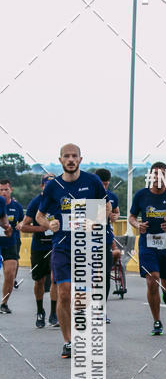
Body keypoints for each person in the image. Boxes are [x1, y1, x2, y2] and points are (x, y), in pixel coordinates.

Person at [36, 144, 108, 358]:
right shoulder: (53, 186)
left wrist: (93, 222)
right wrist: (50, 225)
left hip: (86, 246)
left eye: (74, 156)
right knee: (64, 293)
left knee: (81, 297)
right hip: (61, 246)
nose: (70, 159)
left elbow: (106, 209)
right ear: (60, 160)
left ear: (80, 159)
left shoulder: (92, 182)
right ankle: (68, 341)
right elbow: (40, 215)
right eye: (66, 156)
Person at [129, 162, 166, 336]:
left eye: (161, 174)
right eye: (155, 174)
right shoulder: (141, 195)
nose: (158, 178)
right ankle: (157, 320)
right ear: (150, 177)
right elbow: (132, 216)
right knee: (152, 278)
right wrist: (137, 224)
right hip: (147, 244)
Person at [21, 174, 58, 328]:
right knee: (39, 281)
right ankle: (40, 310)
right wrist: (42, 228)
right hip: (39, 247)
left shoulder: (60, 200)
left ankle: (54, 313)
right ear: (42, 187)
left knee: (55, 279)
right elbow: (24, 226)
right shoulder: (37, 202)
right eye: (47, 185)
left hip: (56, 246)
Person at [95, 168, 121, 322]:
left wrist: (114, 215)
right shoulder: (87, 196)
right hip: (87, 240)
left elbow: (116, 212)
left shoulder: (112, 197)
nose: (104, 188)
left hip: (105, 240)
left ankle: (101, 310)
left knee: (104, 276)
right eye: (101, 184)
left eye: (106, 184)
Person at [0, 179, 24, 314]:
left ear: (11, 190)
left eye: (6, 190)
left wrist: (19, 226)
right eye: (1, 190)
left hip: (11, 243)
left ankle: (4, 303)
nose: (3, 192)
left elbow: (22, 222)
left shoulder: (17, 206)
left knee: (9, 274)